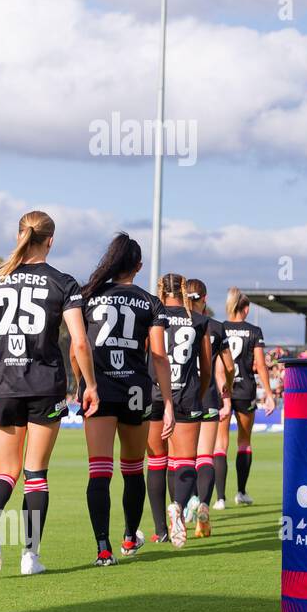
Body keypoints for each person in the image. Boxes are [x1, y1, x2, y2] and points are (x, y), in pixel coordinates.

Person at [0, 210, 98, 575]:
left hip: (2, 385)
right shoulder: (63, 283)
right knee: (35, 473)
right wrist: (91, 385)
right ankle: (29, 557)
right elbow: (80, 343)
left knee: (4, 471)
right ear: (50, 241)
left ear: (20, 234)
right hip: (44, 385)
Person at [76, 233, 175, 565]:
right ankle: (130, 539)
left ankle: (103, 548)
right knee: (133, 470)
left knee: (99, 471)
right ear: (139, 266)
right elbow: (159, 357)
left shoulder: (88, 297)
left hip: (100, 389)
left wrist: (82, 383)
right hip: (136, 391)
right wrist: (170, 404)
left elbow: (79, 349)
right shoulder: (150, 302)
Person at [145, 274, 212, 548]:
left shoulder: (152, 315)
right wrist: (198, 389)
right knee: (185, 461)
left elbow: (147, 354)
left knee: (157, 461)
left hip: (154, 393)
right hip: (186, 393)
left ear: (160, 291)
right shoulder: (199, 321)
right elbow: (206, 367)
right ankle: (178, 507)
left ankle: (160, 529)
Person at [184, 278, 235, 535]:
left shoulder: (174, 322)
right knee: (207, 455)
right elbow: (229, 365)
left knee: (183, 458)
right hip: (209, 396)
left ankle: (188, 503)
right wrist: (228, 388)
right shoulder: (215, 326)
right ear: (204, 298)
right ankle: (204, 503)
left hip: (183, 395)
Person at [222, 288, 274, 506]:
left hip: (222, 390)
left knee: (219, 444)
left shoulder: (220, 327)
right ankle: (241, 492)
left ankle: (219, 498)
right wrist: (269, 393)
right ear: (246, 309)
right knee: (244, 441)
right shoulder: (254, 330)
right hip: (245, 390)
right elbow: (261, 364)